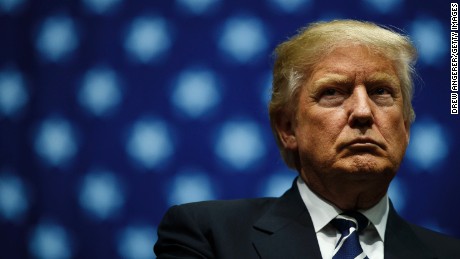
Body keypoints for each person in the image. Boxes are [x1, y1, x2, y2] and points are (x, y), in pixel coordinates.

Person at [154, 20, 460, 258]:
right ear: (288, 128)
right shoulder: (207, 236)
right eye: (333, 92)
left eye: (381, 91)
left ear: (405, 127)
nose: (364, 112)